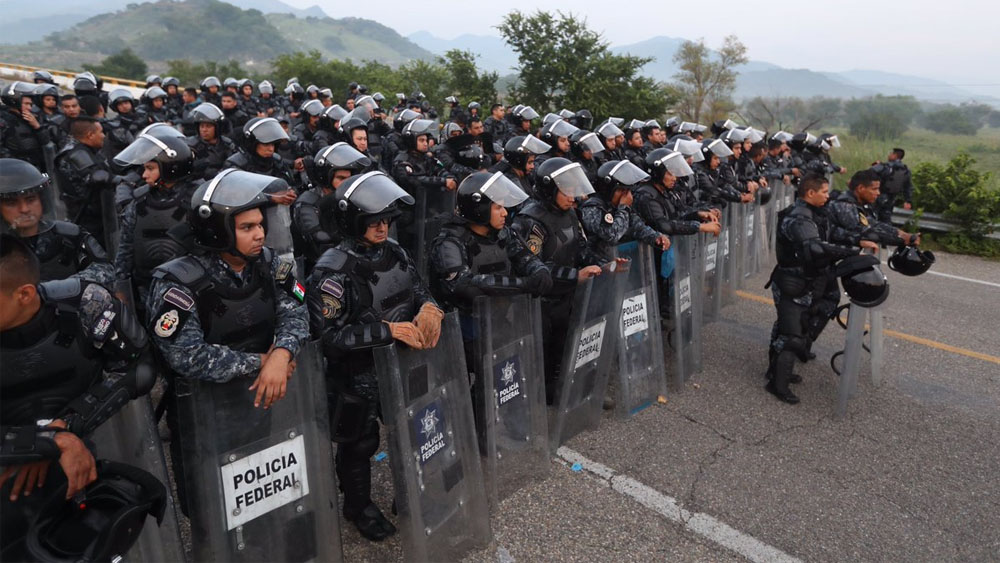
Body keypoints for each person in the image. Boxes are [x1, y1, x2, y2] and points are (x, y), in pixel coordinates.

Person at [147, 169, 307, 512]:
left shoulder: (269, 263)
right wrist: (261, 363)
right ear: (217, 231)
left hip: (258, 403)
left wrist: (282, 353)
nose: (260, 234)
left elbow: (298, 310)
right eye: (247, 228)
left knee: (260, 497)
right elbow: (185, 355)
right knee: (212, 507)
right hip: (203, 414)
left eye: (260, 224)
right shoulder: (178, 282)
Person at [306, 171, 443, 541]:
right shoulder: (332, 270)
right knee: (359, 445)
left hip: (404, 365)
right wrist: (387, 331)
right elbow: (328, 336)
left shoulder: (394, 251)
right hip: (358, 376)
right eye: (373, 221)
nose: (383, 227)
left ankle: (411, 490)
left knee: (416, 430)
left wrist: (430, 308)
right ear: (353, 221)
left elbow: (418, 289)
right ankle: (358, 506)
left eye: (386, 219)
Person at [0, 234, 151, 560]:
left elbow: (139, 368)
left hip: (78, 469)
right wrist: (49, 442)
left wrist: (67, 426)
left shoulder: (86, 303)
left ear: (24, 294)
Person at [510, 157, 606, 402]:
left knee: (565, 348)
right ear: (549, 189)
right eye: (567, 190)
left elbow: (581, 248)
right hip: (542, 302)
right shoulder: (530, 220)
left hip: (567, 295)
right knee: (544, 353)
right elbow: (534, 266)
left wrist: (603, 264)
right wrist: (575, 275)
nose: (573, 196)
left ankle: (567, 390)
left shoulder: (570, 213)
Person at [766, 175, 864, 404]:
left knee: (793, 328)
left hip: (808, 280)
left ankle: (776, 372)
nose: (828, 196)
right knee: (790, 335)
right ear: (810, 193)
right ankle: (777, 384)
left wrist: (859, 241)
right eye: (824, 192)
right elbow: (815, 248)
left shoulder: (816, 213)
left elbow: (833, 235)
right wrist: (850, 252)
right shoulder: (798, 218)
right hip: (791, 281)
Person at [429, 171, 552, 314]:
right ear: (480, 209)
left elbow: (525, 258)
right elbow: (465, 285)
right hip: (463, 323)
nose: (505, 213)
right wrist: (523, 284)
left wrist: (540, 271)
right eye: (498, 207)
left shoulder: (503, 234)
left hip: (501, 319)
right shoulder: (449, 243)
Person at [113, 128, 201, 311]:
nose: (144, 175)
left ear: (171, 167)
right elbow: (125, 249)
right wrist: (121, 286)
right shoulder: (138, 203)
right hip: (147, 290)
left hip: (191, 290)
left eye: (150, 168)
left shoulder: (197, 201)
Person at [0, 158, 111, 284]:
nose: (24, 209)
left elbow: (106, 269)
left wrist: (64, 286)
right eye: (11, 203)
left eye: (30, 199)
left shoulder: (70, 235)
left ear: (42, 201)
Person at [292, 142, 371, 272]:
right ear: (326, 177)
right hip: (316, 267)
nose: (346, 183)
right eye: (341, 178)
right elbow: (319, 239)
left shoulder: (349, 199)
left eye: (349, 178)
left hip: (351, 262)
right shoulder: (307, 202)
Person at [581, 160, 670, 260]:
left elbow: (636, 226)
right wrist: (624, 207)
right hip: (598, 264)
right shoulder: (593, 208)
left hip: (620, 261)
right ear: (609, 190)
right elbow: (612, 235)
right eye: (621, 190)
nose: (626, 195)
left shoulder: (616, 206)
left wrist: (656, 237)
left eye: (628, 190)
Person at [55, 117, 115, 243]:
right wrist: (118, 180)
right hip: (88, 220)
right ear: (90, 135)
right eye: (101, 132)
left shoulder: (81, 148)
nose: (103, 136)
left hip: (96, 214)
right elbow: (96, 176)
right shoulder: (76, 154)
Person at [827, 169, 920, 249]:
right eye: (874, 189)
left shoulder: (859, 205)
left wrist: (903, 234)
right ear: (861, 188)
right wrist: (901, 240)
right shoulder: (845, 205)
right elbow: (866, 233)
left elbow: (874, 224)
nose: (878, 193)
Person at [1, 81, 51, 170]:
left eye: (31, 104)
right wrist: (15, 164)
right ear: (14, 102)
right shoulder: (4, 121)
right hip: (13, 170)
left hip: (32, 169)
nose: (29, 108)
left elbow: (46, 141)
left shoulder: (31, 119)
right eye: (26, 104)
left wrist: (37, 127)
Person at [185, 102, 236, 178]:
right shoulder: (192, 146)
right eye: (202, 126)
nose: (204, 130)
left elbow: (235, 163)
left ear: (217, 128)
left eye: (208, 126)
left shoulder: (227, 143)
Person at [490, 135, 550, 200]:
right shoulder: (512, 183)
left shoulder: (524, 176)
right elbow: (524, 203)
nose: (532, 166)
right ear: (519, 162)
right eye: (529, 162)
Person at [870, 148, 913, 222]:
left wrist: (877, 165)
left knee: (872, 217)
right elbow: (908, 187)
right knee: (886, 219)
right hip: (891, 199)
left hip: (878, 196)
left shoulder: (885, 166)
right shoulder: (905, 170)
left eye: (891, 153)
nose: (889, 155)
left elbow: (868, 173)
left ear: (895, 155)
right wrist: (907, 200)